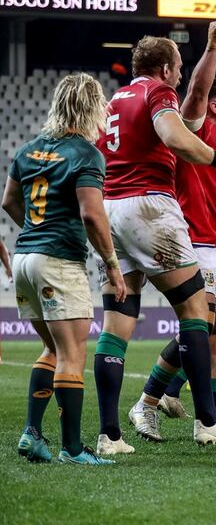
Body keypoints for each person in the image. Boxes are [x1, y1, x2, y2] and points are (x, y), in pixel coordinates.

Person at [94, 22, 216, 453]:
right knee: (196, 312)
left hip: (111, 209)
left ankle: (109, 435)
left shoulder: (112, 102)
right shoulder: (156, 92)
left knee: (117, 324)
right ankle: (207, 421)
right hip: (149, 206)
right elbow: (173, 135)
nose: (179, 77)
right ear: (165, 67)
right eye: (177, 68)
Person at [128, 37, 216, 442]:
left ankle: (200, 415)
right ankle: (155, 402)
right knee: (199, 331)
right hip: (196, 244)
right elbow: (202, 91)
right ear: (215, 108)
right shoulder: (198, 127)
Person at [4, 73, 127, 464]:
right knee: (72, 353)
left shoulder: (28, 150)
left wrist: (38, 233)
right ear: (91, 106)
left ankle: (32, 433)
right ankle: (73, 449)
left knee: (51, 349)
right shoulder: (86, 153)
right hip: (58, 261)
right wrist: (112, 265)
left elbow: (9, 201)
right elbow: (92, 215)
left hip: (24, 258)